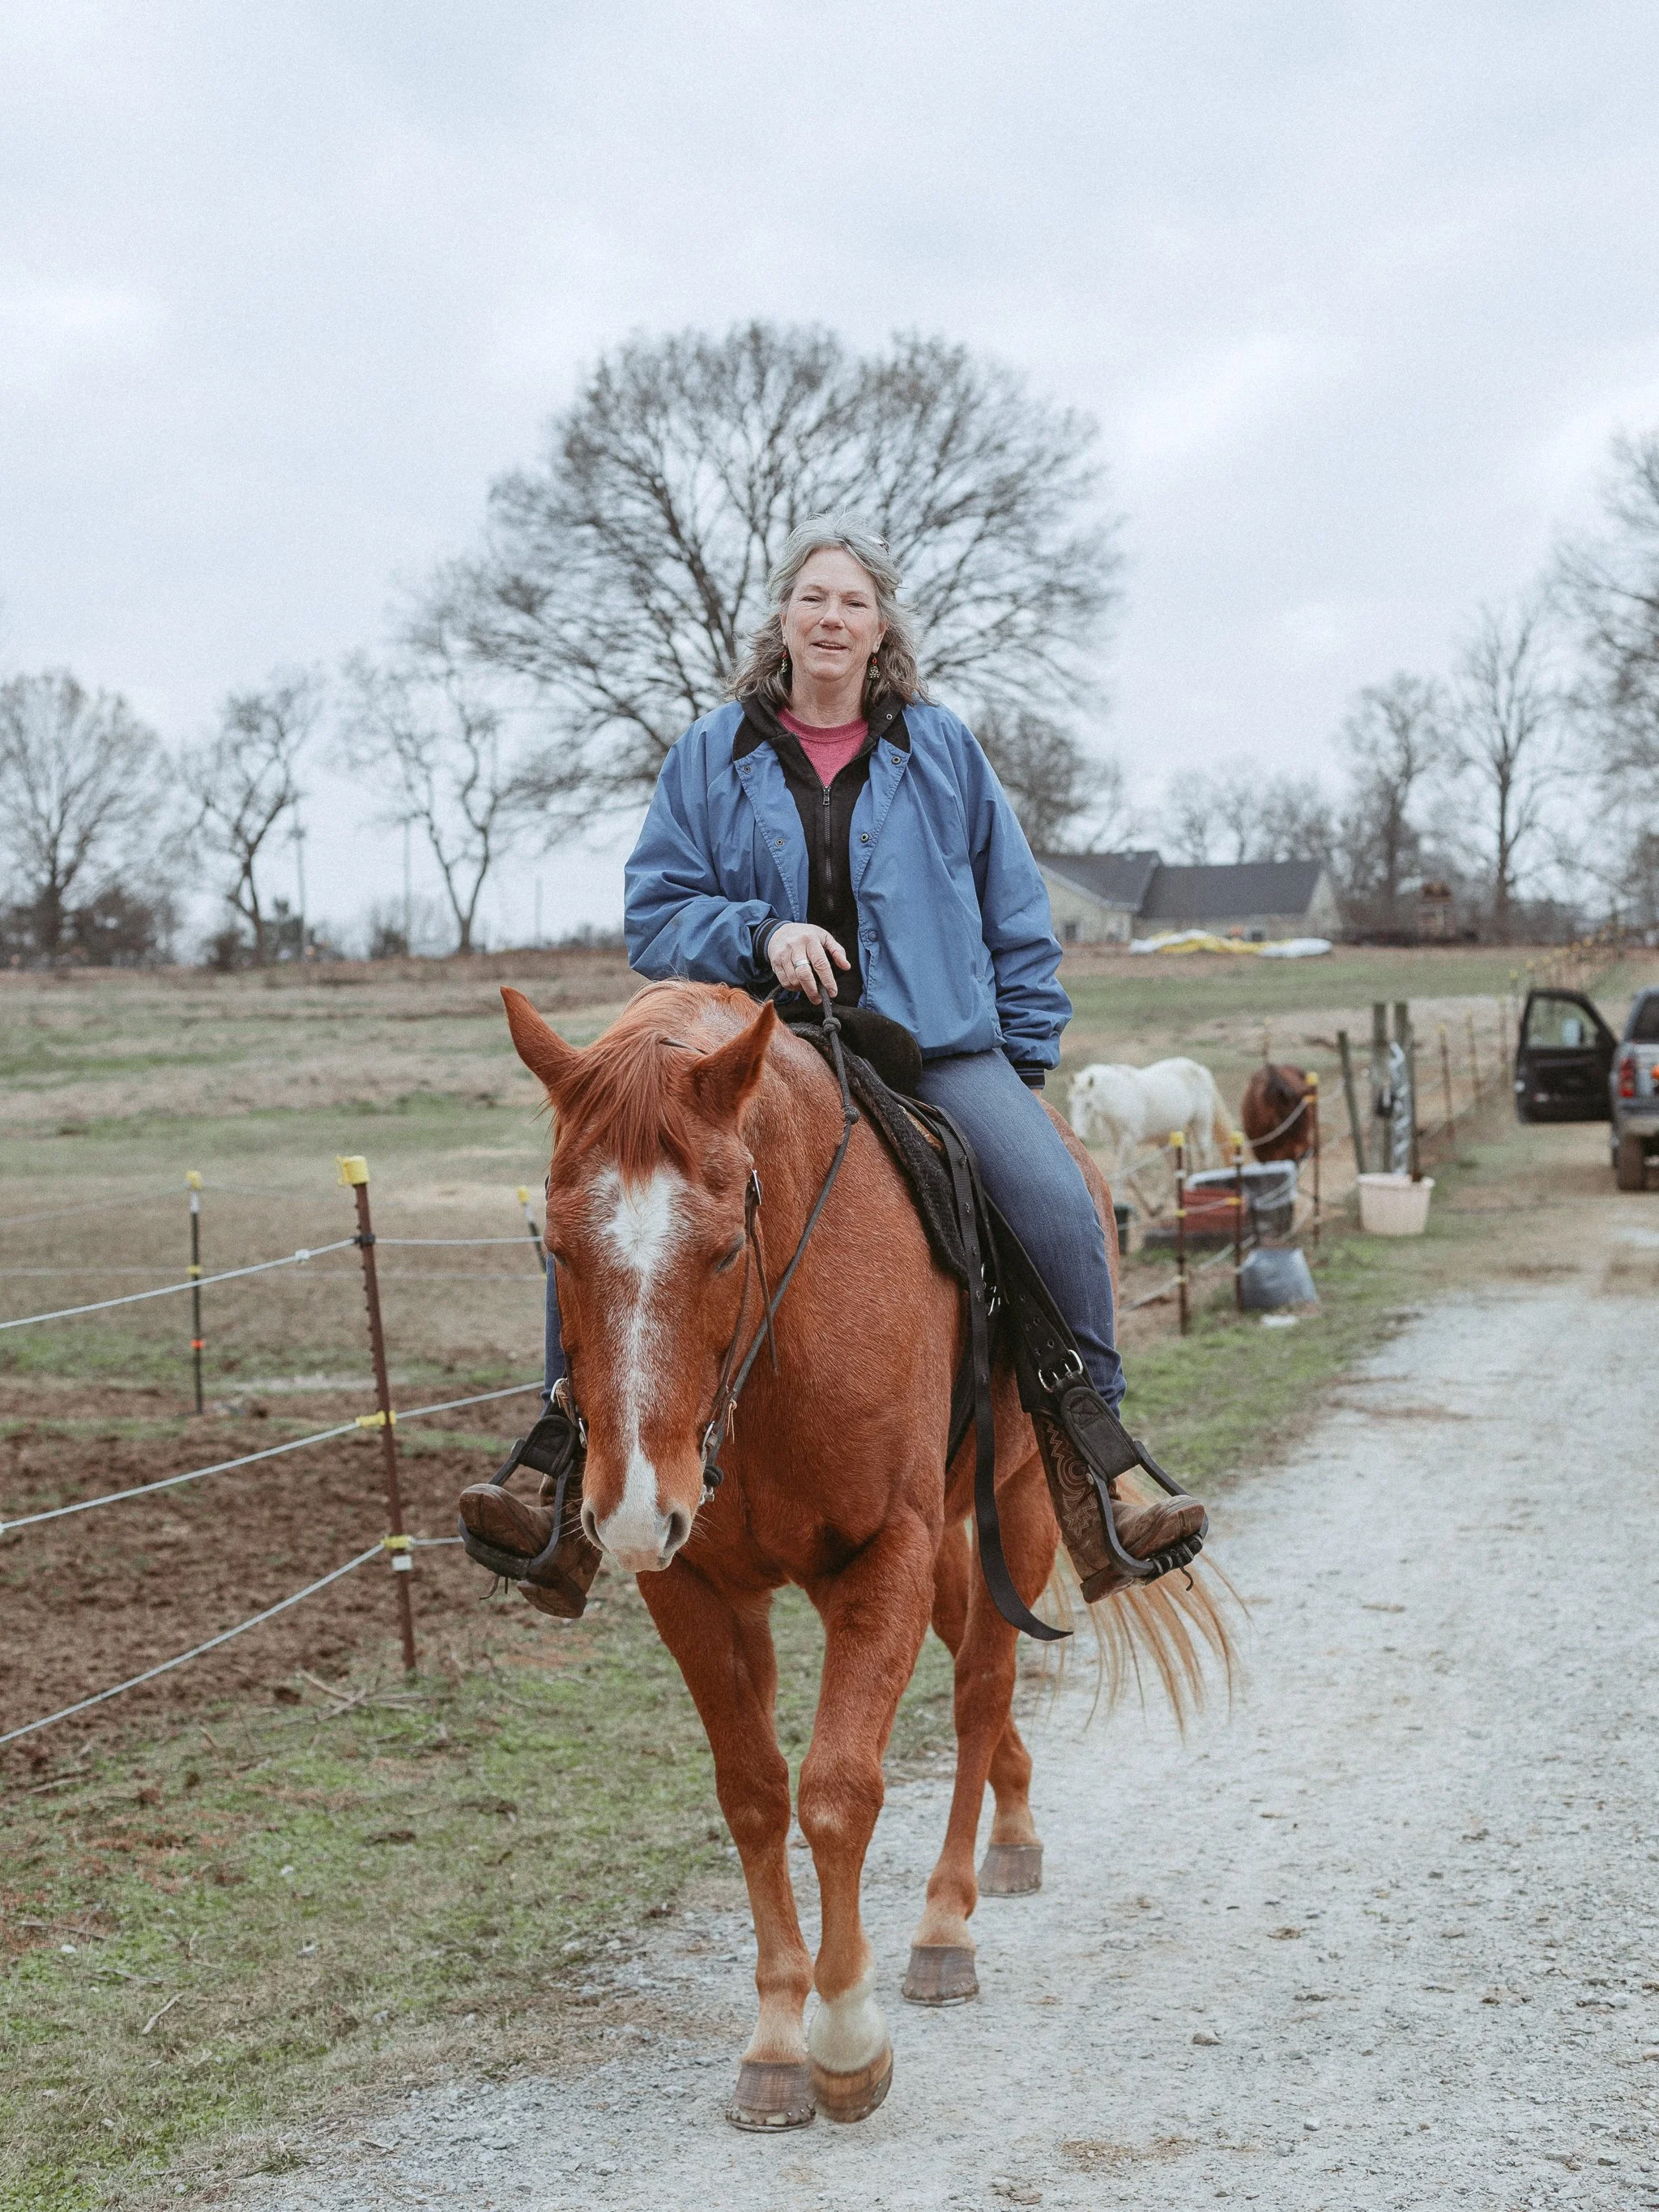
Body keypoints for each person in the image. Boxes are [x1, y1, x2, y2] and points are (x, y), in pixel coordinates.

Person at [503, 517, 1203, 1603]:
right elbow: (655, 909)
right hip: (753, 1055)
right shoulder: (710, 752)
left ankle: (1093, 1470)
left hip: (931, 1049)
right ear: (782, 619)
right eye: (813, 599)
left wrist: (1021, 1064)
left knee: (1059, 1199)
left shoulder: (943, 750)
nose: (831, 617)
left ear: (882, 630)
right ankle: (560, 1468)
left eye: (854, 603)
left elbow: (1017, 916)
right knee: (604, 1198)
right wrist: (757, 932)